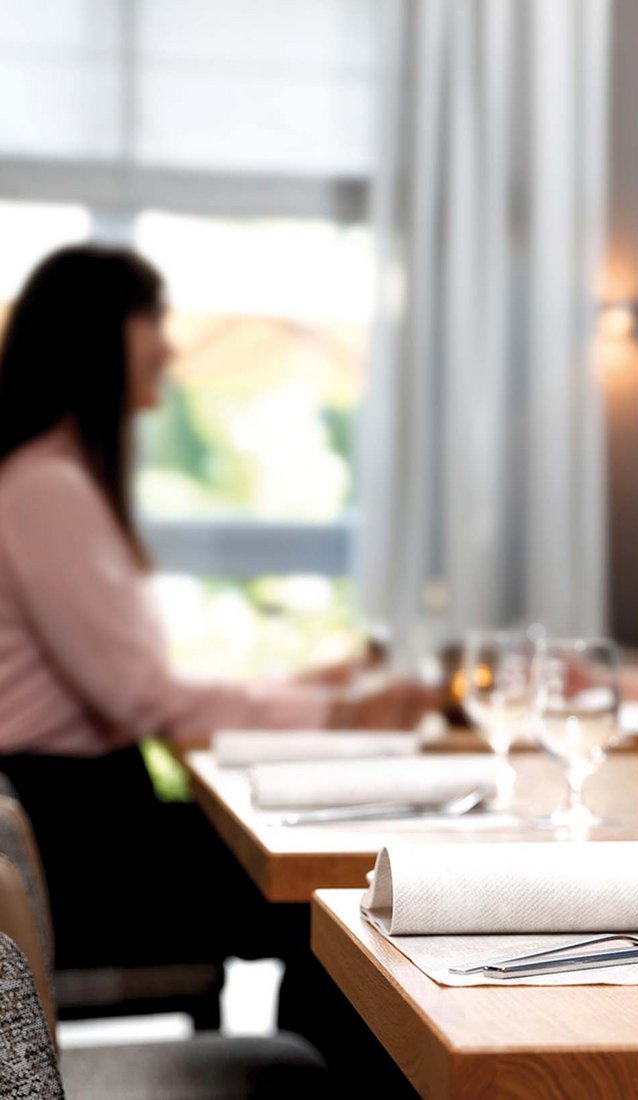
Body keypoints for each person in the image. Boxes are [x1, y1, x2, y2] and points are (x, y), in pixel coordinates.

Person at [0, 244, 421, 1084]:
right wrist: (338, 714)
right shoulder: (46, 488)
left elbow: (130, 689)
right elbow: (146, 697)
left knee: (334, 897)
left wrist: (310, 687)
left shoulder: (52, 480)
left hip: (83, 812)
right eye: (151, 318)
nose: (169, 345)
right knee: (333, 909)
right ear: (97, 335)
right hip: (80, 839)